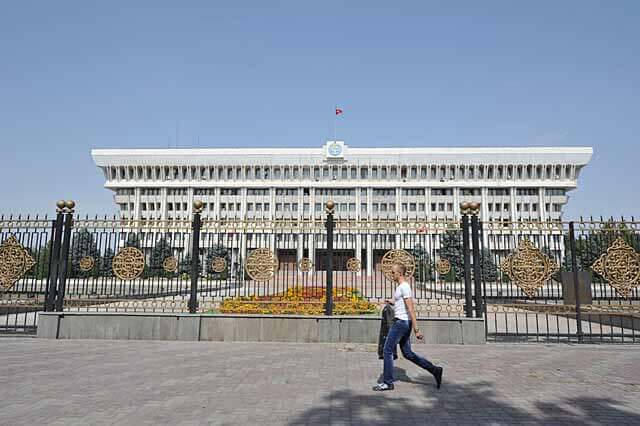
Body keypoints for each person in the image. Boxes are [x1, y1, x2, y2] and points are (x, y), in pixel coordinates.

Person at [373, 263, 443, 391]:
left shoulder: (404, 287)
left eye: (393, 272)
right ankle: (435, 370)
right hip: (403, 322)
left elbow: (411, 308)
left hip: (401, 323)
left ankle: (388, 382)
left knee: (387, 350)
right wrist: (392, 302)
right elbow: (402, 304)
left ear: (400, 273)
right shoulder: (401, 287)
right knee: (408, 353)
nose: (391, 275)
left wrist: (416, 329)